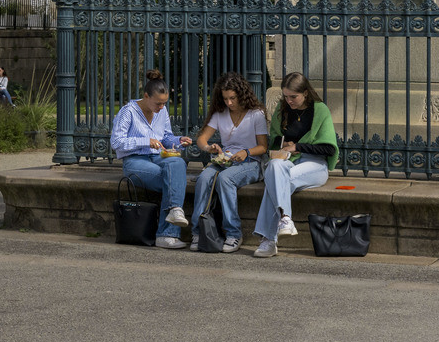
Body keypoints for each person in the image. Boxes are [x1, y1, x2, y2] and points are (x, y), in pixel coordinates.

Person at [251, 72, 338, 258]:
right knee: (275, 167)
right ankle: (285, 219)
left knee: (276, 182)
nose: (289, 100)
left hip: (314, 165)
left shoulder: (320, 110)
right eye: (286, 96)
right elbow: (274, 141)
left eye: (293, 97)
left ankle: (268, 239)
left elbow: (329, 149)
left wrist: (297, 146)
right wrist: (280, 146)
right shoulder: (282, 110)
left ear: (305, 93)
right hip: (287, 161)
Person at [111, 69, 194, 249]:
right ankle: (167, 233)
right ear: (146, 96)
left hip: (159, 157)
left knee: (178, 163)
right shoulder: (128, 112)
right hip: (135, 161)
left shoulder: (161, 112)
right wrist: (146, 141)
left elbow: (165, 137)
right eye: (158, 103)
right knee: (172, 180)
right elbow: (116, 142)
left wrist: (178, 140)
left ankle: (173, 215)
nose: (161, 108)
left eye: (165, 103)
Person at [188, 72, 269, 253]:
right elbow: (202, 139)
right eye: (225, 99)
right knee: (204, 178)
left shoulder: (256, 114)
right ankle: (198, 232)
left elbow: (263, 147)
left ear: (242, 95)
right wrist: (209, 148)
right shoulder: (220, 113)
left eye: (232, 98)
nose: (229, 103)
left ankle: (234, 234)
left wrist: (246, 152)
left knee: (225, 179)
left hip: (251, 161)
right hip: (225, 160)